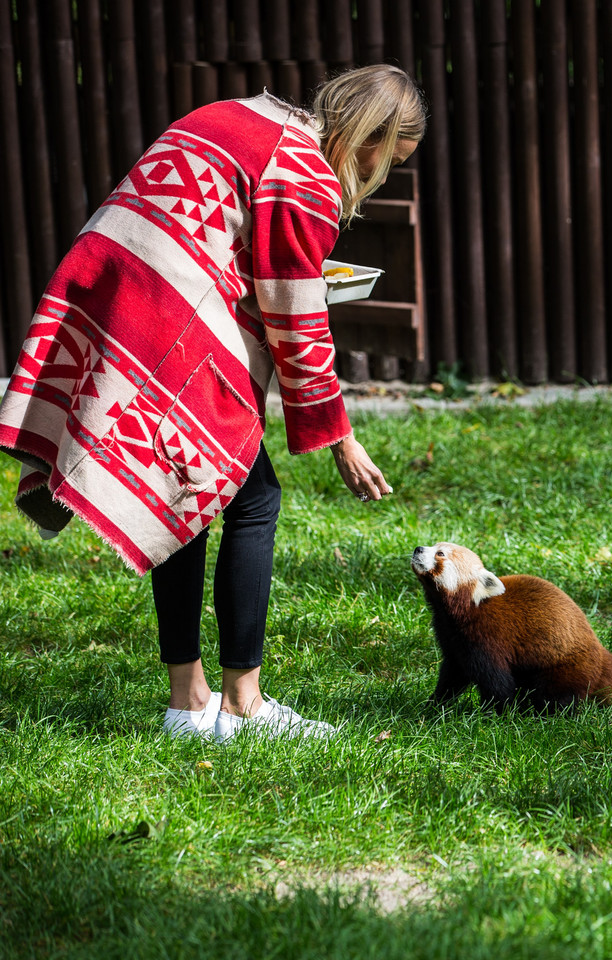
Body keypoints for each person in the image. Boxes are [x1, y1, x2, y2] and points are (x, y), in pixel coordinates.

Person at [0, 64, 426, 741]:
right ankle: (241, 705)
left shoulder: (241, 114)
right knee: (252, 500)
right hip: (167, 322)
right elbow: (296, 317)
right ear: (368, 138)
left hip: (113, 296)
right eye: (385, 163)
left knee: (182, 490)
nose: (376, 177)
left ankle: (185, 703)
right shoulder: (305, 176)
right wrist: (340, 436)